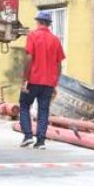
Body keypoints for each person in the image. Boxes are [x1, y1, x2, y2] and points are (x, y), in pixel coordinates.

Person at [19, 10, 66, 149]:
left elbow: (28, 57)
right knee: (44, 110)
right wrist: (55, 82)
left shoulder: (32, 35)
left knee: (24, 106)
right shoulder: (56, 40)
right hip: (48, 83)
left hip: (33, 80)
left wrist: (24, 78)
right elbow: (59, 64)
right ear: (49, 24)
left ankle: (28, 136)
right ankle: (40, 141)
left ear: (38, 22)